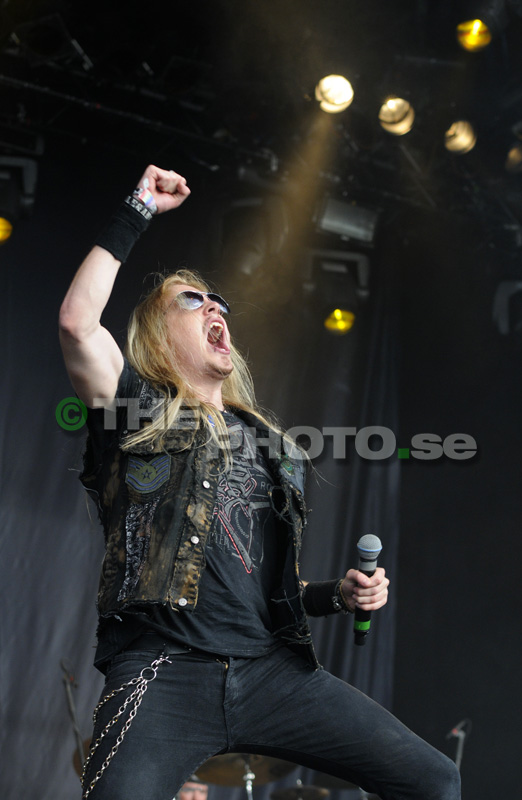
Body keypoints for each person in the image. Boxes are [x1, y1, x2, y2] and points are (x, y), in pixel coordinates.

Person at [59, 165, 461, 800]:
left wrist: (336, 596)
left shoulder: (271, 446)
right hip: (165, 668)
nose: (215, 308)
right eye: (192, 301)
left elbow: (259, 586)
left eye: (219, 303)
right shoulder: (135, 407)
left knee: (435, 779)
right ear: (159, 334)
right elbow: (78, 323)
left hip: (270, 673)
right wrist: (138, 207)